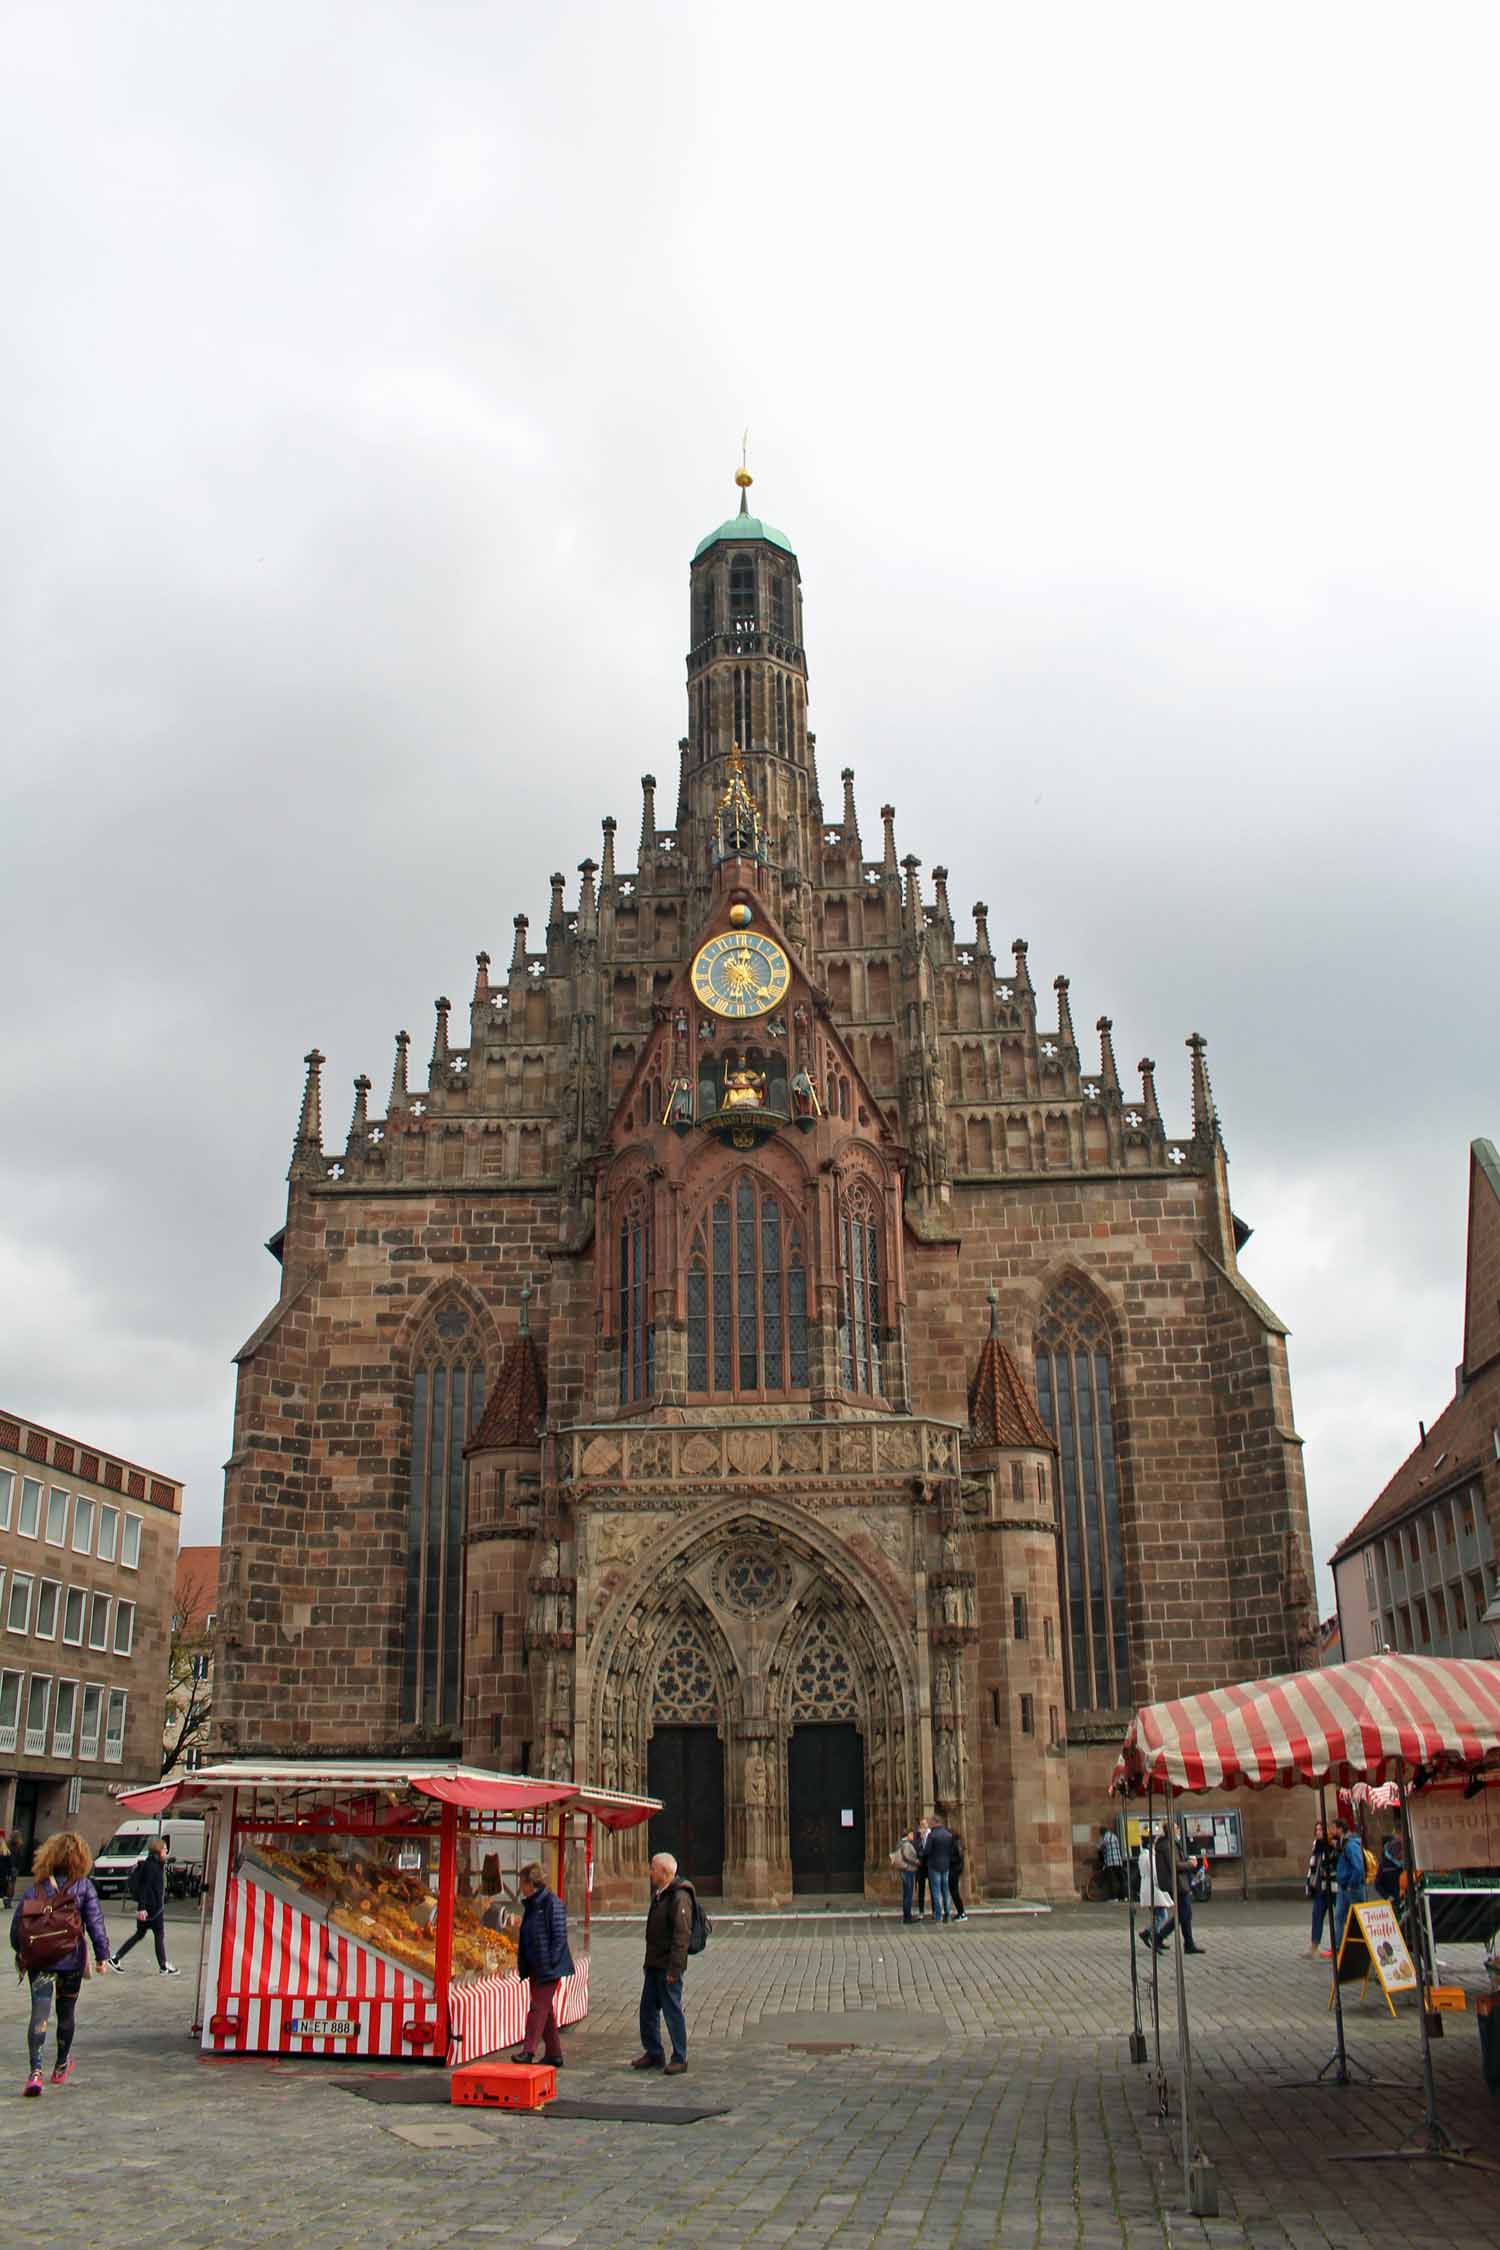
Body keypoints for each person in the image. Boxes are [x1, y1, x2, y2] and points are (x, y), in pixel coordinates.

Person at [10, 1828, 112, 2094]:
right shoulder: (84, 1886)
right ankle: (60, 2066)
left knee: (39, 2014)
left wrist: (21, 1953)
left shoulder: (36, 1888)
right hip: (70, 1960)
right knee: (66, 2013)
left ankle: (35, 2072)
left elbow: (16, 1928)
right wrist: (103, 1956)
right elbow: (96, 1923)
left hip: (40, 1961)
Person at [632, 1851, 696, 2076]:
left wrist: (675, 1969)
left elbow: (682, 1935)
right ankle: (654, 2052)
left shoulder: (679, 1897)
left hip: (667, 1966)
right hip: (654, 1964)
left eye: (653, 1868)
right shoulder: (660, 1894)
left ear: (665, 1872)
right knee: (647, 2010)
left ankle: (680, 2057)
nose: (649, 1872)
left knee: (672, 2011)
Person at [510, 1860, 573, 2069]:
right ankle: (555, 2054)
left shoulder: (550, 1903)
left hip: (548, 1967)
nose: (520, 1887)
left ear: (531, 1883)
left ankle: (528, 2051)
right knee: (546, 2011)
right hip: (536, 1965)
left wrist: (551, 1964)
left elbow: (559, 1936)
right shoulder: (532, 1904)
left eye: (522, 1883)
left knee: (537, 2008)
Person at [108, 1838, 179, 1975]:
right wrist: (142, 1908)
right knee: (158, 1934)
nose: (166, 1852)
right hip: (152, 1909)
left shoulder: (155, 1863)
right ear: (158, 1850)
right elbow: (145, 1888)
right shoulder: (151, 1866)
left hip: (150, 1908)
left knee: (139, 1934)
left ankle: (116, 1958)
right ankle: (163, 1966)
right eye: (164, 1849)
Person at [1330, 1818, 1366, 1958]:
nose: (1331, 1831)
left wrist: (1352, 1884)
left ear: (1340, 1829)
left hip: (1352, 1888)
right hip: (1343, 1887)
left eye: (1333, 1828)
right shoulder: (1343, 1843)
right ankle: (1338, 1947)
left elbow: (1358, 1867)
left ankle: (1362, 1947)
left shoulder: (1351, 1845)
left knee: (1358, 1918)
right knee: (1339, 1916)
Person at [1136, 1826, 1174, 1951]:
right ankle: (1149, 1934)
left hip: (1148, 1887)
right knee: (1161, 1916)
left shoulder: (1144, 1855)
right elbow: (1156, 1871)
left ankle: (1155, 1937)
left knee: (1158, 1915)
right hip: (1154, 1887)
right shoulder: (1150, 1855)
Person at [1303, 1818, 1335, 1956]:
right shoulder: (1316, 1845)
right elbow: (1313, 1866)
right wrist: (1309, 1883)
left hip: (1333, 1887)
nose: (1318, 1832)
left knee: (1339, 1918)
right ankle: (1314, 1946)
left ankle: (1338, 1946)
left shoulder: (1333, 1845)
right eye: (1316, 1830)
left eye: (1321, 1829)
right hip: (1319, 1888)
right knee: (1317, 1915)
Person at [923, 1812, 955, 1923]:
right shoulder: (948, 1835)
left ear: (934, 1822)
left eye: (931, 1822)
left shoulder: (932, 1835)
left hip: (934, 1865)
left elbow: (926, 1851)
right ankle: (948, 1913)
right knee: (946, 1890)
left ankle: (938, 1915)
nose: (930, 1824)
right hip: (945, 1865)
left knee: (936, 1891)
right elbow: (951, 1851)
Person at [892, 1828, 923, 1923]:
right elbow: (907, 1856)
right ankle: (907, 1917)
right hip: (908, 1870)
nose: (913, 1837)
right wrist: (917, 1861)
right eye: (912, 1835)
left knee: (906, 1894)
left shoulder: (899, 1843)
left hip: (903, 1870)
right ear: (909, 1834)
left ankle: (906, 1915)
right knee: (908, 1894)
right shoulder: (906, 1844)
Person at [1098, 1824, 1125, 1902]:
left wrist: (1101, 1858)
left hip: (1111, 1862)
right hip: (1119, 1861)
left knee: (1112, 1880)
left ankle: (1114, 1897)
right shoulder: (1114, 1836)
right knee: (1121, 1880)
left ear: (1102, 1832)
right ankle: (1123, 1897)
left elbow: (1099, 1848)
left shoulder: (1104, 1837)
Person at [1376, 1833, 1404, 1903]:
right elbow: (1377, 1884)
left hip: (1406, 1899)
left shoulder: (1405, 1862)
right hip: (1393, 1901)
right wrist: (1387, 1896)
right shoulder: (1384, 1864)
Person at [948, 1830, 968, 1922]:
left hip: (954, 1870)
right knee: (954, 1892)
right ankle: (960, 1912)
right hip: (956, 1869)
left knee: (955, 1892)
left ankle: (962, 1913)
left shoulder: (955, 1843)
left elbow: (956, 1857)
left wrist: (948, 1859)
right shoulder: (958, 1843)